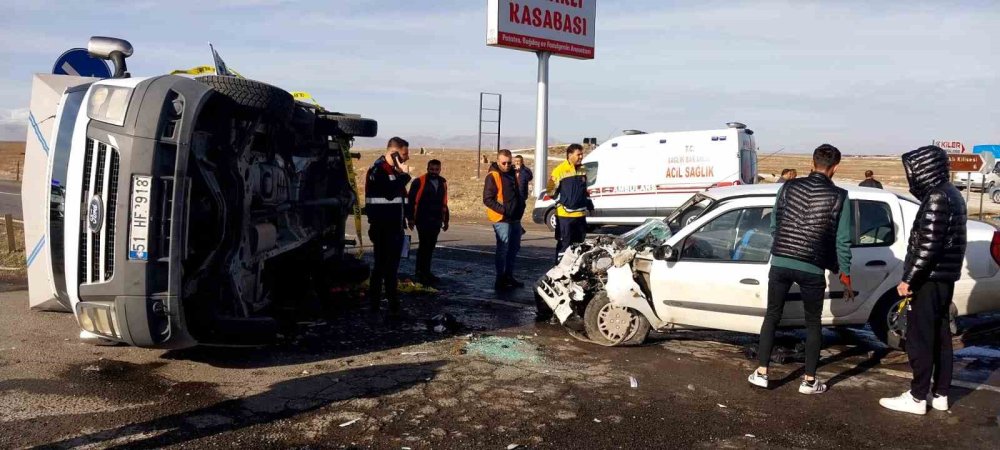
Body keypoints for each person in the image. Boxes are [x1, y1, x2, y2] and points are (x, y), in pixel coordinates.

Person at [748, 144, 853, 395]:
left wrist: (783, 247)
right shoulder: (840, 196)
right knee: (813, 323)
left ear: (812, 162)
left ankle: (761, 373)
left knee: (772, 316)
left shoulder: (788, 187)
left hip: (781, 262)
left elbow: (775, 223)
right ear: (835, 167)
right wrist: (845, 275)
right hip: (813, 268)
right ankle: (808, 381)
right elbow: (843, 240)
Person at [879, 145, 966, 415]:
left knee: (920, 338)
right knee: (940, 336)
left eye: (912, 172)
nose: (910, 178)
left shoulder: (937, 197)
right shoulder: (952, 194)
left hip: (929, 278)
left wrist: (909, 280)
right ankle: (939, 393)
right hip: (942, 278)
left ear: (924, 170)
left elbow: (928, 246)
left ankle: (917, 397)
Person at [364, 137, 411, 316]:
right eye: (405, 154)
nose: (407, 158)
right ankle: (375, 305)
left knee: (392, 269)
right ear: (395, 153)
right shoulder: (378, 170)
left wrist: (407, 216)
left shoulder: (394, 171)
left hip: (395, 226)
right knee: (381, 268)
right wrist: (405, 175)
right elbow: (390, 193)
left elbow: (400, 198)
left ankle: (393, 304)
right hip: (382, 227)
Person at [483, 149, 526, 291]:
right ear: (498, 161)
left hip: (514, 218)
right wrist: (504, 210)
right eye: (504, 163)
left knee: (514, 248)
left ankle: (509, 276)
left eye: (509, 162)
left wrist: (519, 209)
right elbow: (487, 199)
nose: (507, 165)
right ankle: (500, 278)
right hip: (501, 218)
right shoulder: (493, 176)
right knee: (503, 248)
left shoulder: (512, 173)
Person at [547, 143, 594, 261]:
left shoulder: (583, 169)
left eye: (582, 154)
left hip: (580, 216)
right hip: (565, 216)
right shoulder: (559, 170)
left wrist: (589, 204)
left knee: (579, 246)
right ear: (570, 155)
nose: (581, 157)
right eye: (578, 154)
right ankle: (559, 270)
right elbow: (550, 191)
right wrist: (564, 201)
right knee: (565, 245)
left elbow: (584, 190)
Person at [406, 159, 450, 285]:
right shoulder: (419, 182)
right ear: (427, 169)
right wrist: (410, 218)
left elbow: (444, 202)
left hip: (436, 220)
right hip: (422, 219)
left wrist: (446, 220)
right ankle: (420, 273)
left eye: (436, 170)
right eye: (432, 169)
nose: (434, 172)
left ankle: (426, 272)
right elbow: (411, 201)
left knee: (430, 246)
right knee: (424, 246)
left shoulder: (443, 182)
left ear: (440, 169)